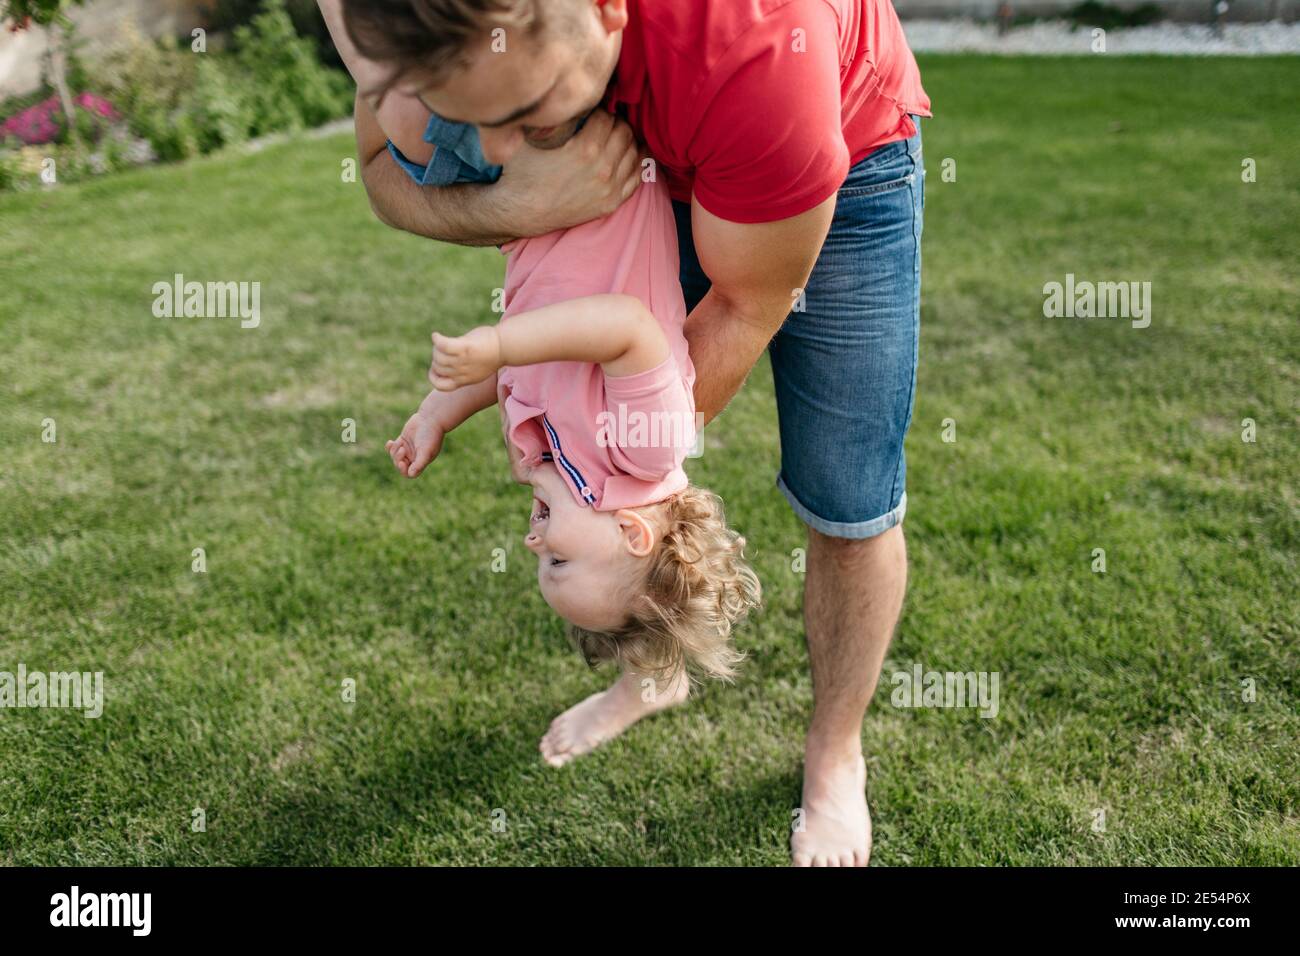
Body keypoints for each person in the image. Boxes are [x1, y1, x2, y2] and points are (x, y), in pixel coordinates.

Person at [322, 0, 930, 867]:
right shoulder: (494, 47)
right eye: (486, 120)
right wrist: (522, 207)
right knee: (632, 569)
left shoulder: (751, 45)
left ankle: (833, 755)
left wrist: (599, 451)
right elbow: (387, 164)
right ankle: (651, 670)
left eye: (526, 114)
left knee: (848, 501)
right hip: (641, 178)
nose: (498, 153)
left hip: (827, 149)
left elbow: (745, 306)